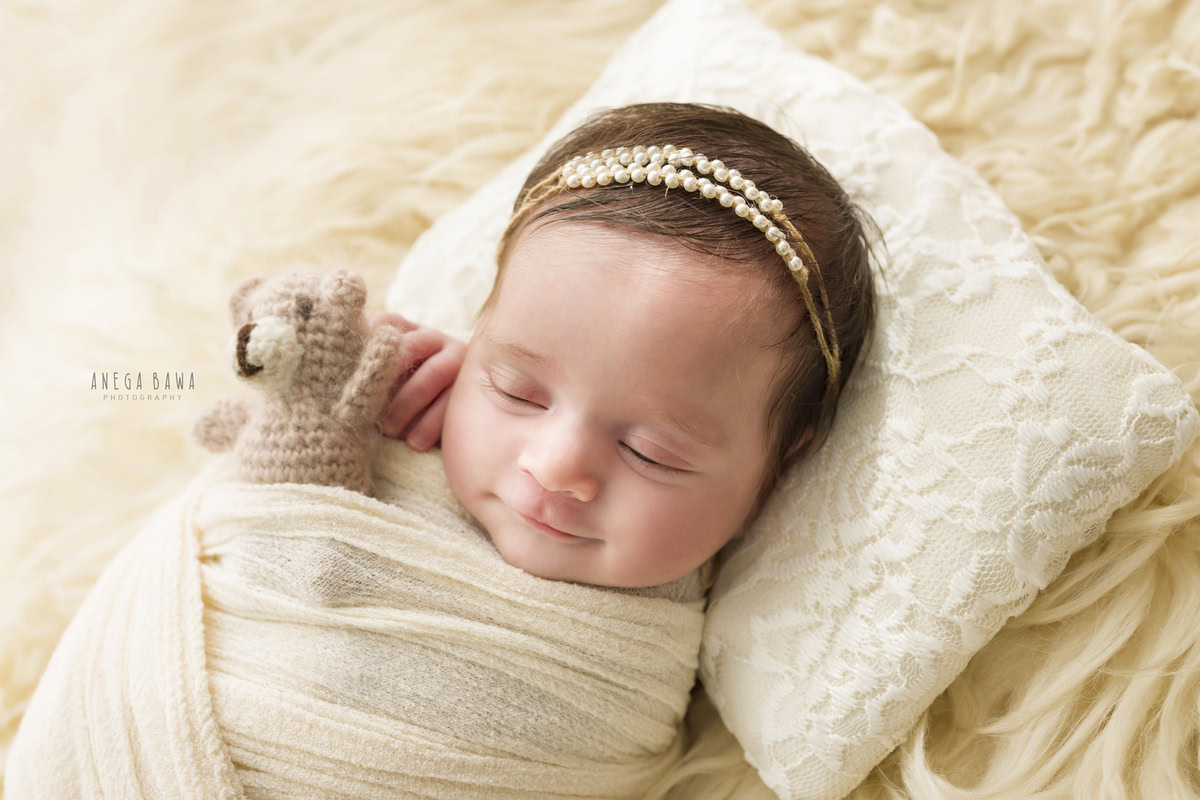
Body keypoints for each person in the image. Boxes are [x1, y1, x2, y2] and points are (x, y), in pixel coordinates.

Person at [371, 101, 880, 589]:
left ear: (774, 476)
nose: (554, 467)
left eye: (649, 453)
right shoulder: (403, 434)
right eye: (517, 392)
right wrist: (394, 391)